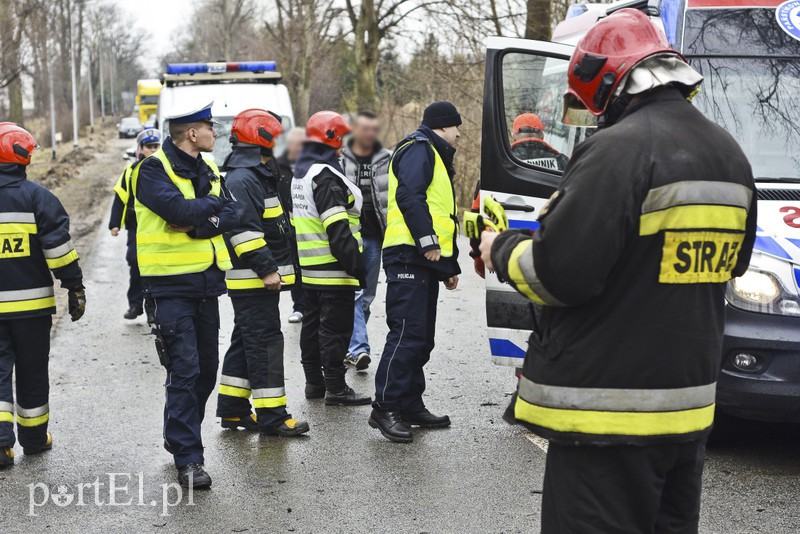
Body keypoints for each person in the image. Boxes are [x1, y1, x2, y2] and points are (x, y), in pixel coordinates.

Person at [480, 9, 757, 533]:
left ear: (605, 83)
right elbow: (728, 264)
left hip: (605, 418)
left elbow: (559, 275)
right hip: (687, 414)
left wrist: (499, 248)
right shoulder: (729, 154)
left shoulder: (616, 150)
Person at [132, 102, 238, 489]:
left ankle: (178, 435)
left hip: (207, 286)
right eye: (210, 127)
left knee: (206, 371)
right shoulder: (151, 169)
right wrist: (210, 211)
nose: (215, 132)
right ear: (192, 133)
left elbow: (233, 212)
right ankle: (188, 459)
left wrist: (196, 224)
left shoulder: (208, 168)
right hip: (168, 287)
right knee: (185, 370)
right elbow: (175, 207)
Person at [369, 101, 461, 443]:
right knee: (406, 334)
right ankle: (385, 407)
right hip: (409, 255)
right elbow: (410, 196)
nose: (459, 134)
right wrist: (426, 241)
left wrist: (448, 266)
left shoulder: (433, 154)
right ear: (443, 126)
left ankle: (408, 403)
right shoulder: (418, 148)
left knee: (422, 339)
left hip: (424, 258)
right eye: (456, 128)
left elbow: (440, 212)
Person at [215, 109, 309, 437]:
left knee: (246, 339)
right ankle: (272, 415)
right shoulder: (244, 179)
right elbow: (243, 231)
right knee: (265, 342)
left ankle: (233, 409)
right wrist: (268, 270)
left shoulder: (257, 173)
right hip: (253, 278)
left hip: (257, 278)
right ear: (262, 139)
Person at [0, 123, 86, 469]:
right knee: (33, 372)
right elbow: (59, 251)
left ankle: (1, 447)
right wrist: (75, 286)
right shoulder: (39, 198)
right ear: (23, 157)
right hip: (31, 311)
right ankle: (34, 440)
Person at [292, 111, 371, 406]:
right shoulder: (325, 176)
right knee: (335, 331)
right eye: (342, 139)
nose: (344, 146)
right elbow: (337, 229)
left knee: (312, 329)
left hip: (311, 270)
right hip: (334, 270)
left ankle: (315, 384)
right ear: (331, 138)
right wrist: (357, 267)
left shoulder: (302, 172)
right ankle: (336, 389)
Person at [340, 111, 391, 371]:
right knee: (356, 294)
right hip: (351, 236)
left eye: (374, 129)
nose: (369, 134)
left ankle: (350, 345)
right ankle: (358, 348)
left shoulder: (387, 159)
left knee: (367, 296)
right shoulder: (341, 160)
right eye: (365, 129)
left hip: (376, 235)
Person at [109, 128, 160, 320]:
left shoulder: (166, 168)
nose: (153, 150)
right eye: (149, 147)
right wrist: (115, 223)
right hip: (136, 227)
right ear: (141, 149)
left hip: (159, 227)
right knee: (135, 263)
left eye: (156, 146)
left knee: (155, 268)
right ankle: (135, 305)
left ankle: (153, 308)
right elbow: (121, 197)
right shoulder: (131, 171)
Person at [277, 127, 306, 324]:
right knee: (294, 264)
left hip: (308, 223)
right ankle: (299, 306)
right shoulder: (278, 164)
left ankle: (309, 304)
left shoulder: (312, 164)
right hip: (287, 223)